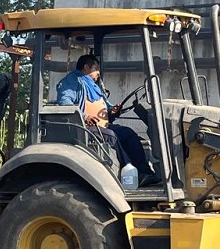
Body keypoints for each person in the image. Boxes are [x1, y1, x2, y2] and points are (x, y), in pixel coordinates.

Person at [56, 54, 158, 186]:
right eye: (96, 69)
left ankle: (144, 172)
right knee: (111, 135)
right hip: (83, 128)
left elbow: (104, 105)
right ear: (86, 67)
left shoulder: (94, 86)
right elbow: (65, 103)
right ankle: (128, 172)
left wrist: (112, 110)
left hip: (102, 125)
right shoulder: (73, 81)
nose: (98, 72)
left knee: (128, 133)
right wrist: (85, 117)